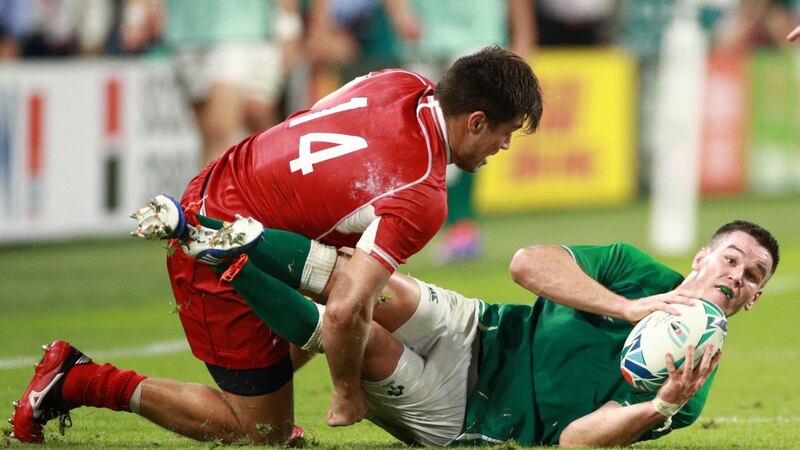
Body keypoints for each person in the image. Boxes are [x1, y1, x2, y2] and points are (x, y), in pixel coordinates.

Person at [9, 46, 543, 444]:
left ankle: (263, 372)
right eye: (506, 133)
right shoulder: (421, 192)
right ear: (475, 121)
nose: (503, 146)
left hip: (224, 181)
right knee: (261, 429)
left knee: (357, 281)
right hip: (220, 250)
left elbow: (305, 124)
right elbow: (345, 311)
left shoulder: (398, 81)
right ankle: (78, 380)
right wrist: (347, 392)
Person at [44, 212, 775, 447]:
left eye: (753, 277)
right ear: (701, 257)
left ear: (751, 301)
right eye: (732, 258)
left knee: (362, 338)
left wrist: (662, 407)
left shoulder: (691, 384)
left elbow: (577, 442)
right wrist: (626, 309)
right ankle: (234, 235)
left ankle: (229, 261)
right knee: (377, 288)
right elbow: (527, 263)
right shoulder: (635, 271)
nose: (737, 276)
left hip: (474, 414)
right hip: (481, 329)